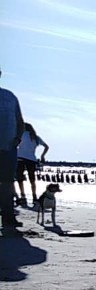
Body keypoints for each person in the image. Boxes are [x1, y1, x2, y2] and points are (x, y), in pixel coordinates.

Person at [0, 66, 24, 229]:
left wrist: (17, 138)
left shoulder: (10, 96)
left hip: (8, 148)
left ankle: (8, 218)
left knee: (8, 183)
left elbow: (20, 120)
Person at [16, 122, 49, 207]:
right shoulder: (35, 137)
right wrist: (42, 156)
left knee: (20, 178)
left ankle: (23, 196)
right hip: (31, 159)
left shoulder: (21, 134)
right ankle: (34, 197)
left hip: (20, 158)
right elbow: (46, 146)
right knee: (32, 179)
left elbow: (15, 144)